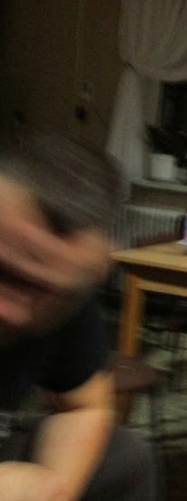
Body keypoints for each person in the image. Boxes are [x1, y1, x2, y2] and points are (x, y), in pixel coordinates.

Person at [0, 129, 160, 501]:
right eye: (4, 272)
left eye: (40, 290)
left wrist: (55, 487)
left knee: (125, 457)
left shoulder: (67, 296)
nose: (11, 312)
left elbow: (84, 407)